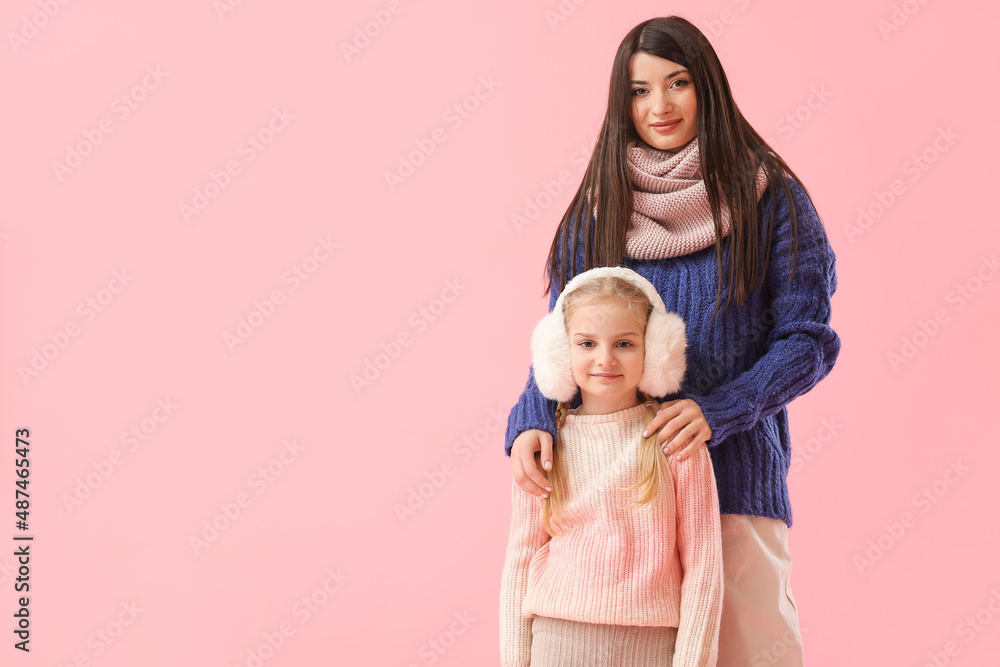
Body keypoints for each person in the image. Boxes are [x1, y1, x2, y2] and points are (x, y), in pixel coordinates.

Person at [504, 15, 841, 666]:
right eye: (638, 90)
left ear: (707, 87)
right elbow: (561, 338)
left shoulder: (774, 200)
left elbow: (809, 339)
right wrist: (531, 418)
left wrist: (722, 410)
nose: (658, 106)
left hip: (733, 485)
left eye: (677, 83)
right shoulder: (599, 212)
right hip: (616, 501)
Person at [500, 266, 723, 667]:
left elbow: (704, 566)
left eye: (624, 343)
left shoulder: (674, 439)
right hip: (555, 642)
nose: (605, 359)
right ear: (559, 353)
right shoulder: (542, 445)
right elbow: (520, 556)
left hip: (651, 648)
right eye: (586, 343)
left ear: (656, 352)